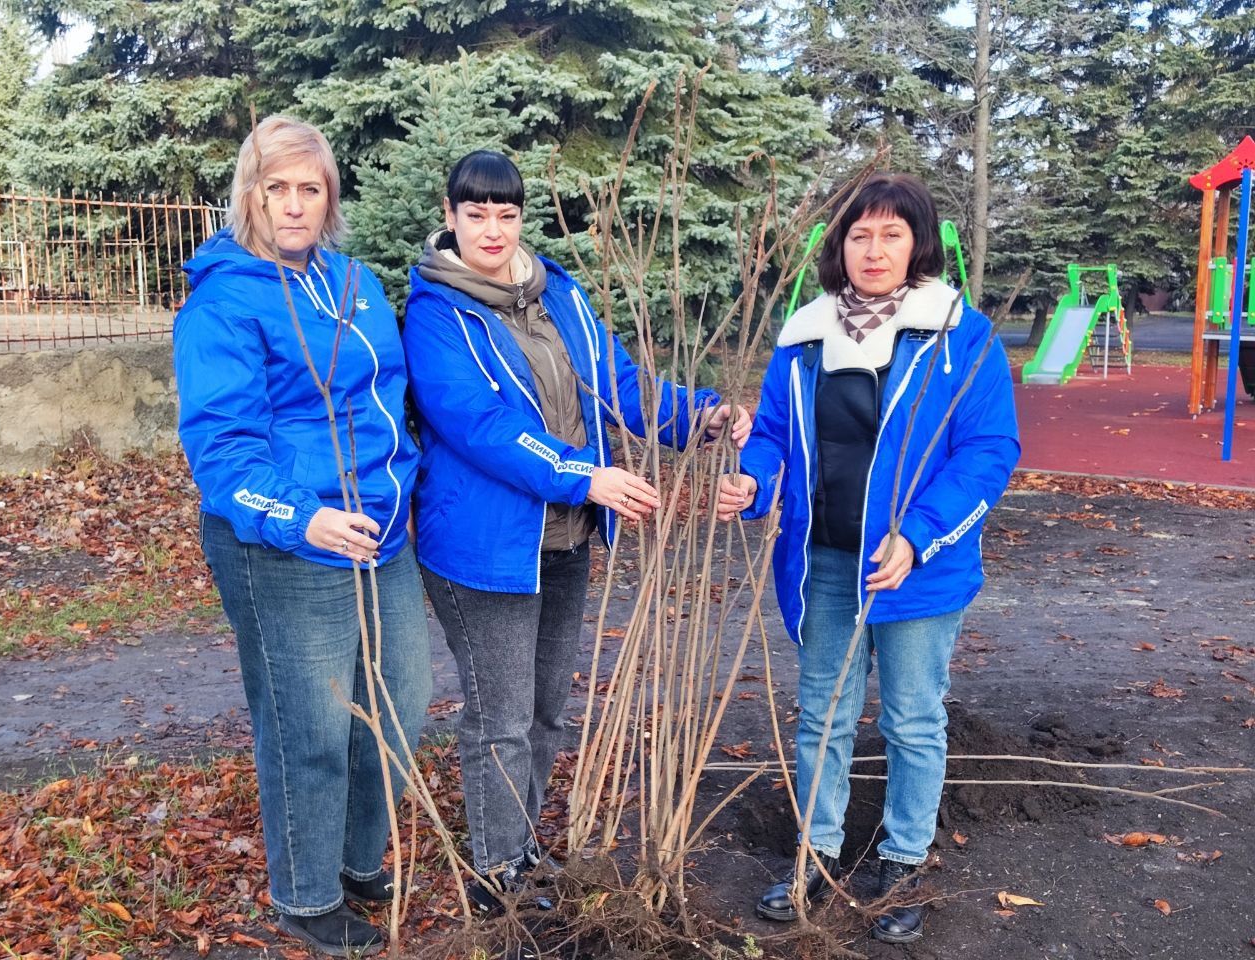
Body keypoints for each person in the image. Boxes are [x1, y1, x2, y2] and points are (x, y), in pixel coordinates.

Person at [403, 149, 751, 912]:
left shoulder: (556, 292)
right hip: (484, 551)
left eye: (506, 214)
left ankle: (521, 846)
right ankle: (499, 871)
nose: (492, 230)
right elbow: (478, 425)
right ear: (450, 213)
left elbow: (618, 382)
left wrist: (700, 413)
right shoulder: (435, 313)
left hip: (563, 541)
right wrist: (582, 475)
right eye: (475, 213)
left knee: (545, 712)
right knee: (499, 718)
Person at [716, 173, 1020, 943]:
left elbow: (988, 453)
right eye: (860, 235)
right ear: (839, 246)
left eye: (891, 234)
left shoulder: (961, 337)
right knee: (822, 714)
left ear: (918, 243)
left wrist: (916, 534)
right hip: (823, 560)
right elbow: (778, 437)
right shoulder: (805, 337)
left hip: (914, 568)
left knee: (914, 720)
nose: (874, 250)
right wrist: (752, 483)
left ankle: (903, 858)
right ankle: (814, 853)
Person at [174, 115, 432, 957]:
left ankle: (360, 861)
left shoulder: (356, 284)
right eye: (275, 188)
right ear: (251, 195)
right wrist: (301, 513)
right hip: (285, 541)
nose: (293, 205)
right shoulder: (224, 299)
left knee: (398, 705)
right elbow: (223, 447)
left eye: (309, 189)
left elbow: (390, 399)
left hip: (377, 534)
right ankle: (307, 895)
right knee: (310, 726)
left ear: (329, 199)